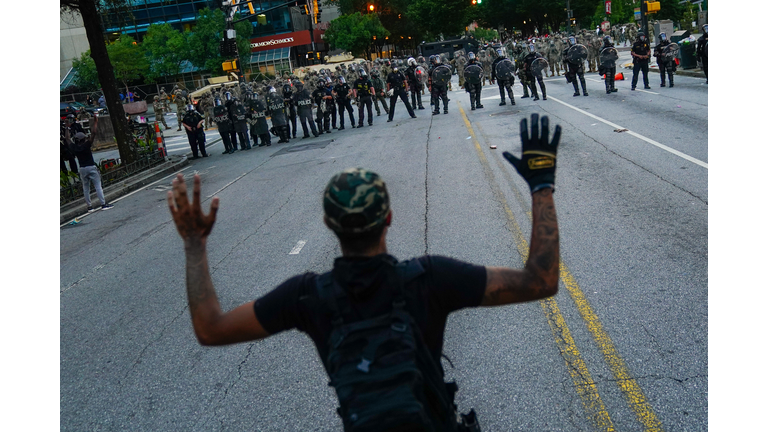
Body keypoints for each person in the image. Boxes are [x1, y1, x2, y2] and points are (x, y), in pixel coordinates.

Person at [167, 113, 561, 432]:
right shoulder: (431, 278)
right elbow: (540, 281)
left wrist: (194, 244)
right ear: (388, 217)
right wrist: (541, 184)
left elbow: (210, 328)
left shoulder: (306, 297)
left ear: (327, 223)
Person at [65, 115, 114, 212]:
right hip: (91, 167)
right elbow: (94, 133)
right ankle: (103, 204)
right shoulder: (86, 145)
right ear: (84, 139)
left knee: (86, 188)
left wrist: (67, 126)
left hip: (82, 169)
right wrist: (95, 122)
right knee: (98, 186)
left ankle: (89, 207)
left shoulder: (75, 148)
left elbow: (67, 138)